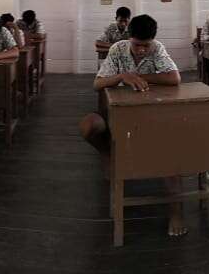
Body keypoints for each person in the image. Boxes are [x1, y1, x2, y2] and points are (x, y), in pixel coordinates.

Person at [77, 15, 185, 236]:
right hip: (117, 114)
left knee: (170, 150)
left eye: (146, 45)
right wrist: (122, 77)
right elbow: (97, 83)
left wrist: (139, 76)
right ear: (129, 38)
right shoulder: (118, 49)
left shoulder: (157, 48)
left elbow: (174, 78)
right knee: (89, 125)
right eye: (137, 45)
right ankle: (107, 152)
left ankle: (176, 212)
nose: (142, 50)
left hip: (149, 114)